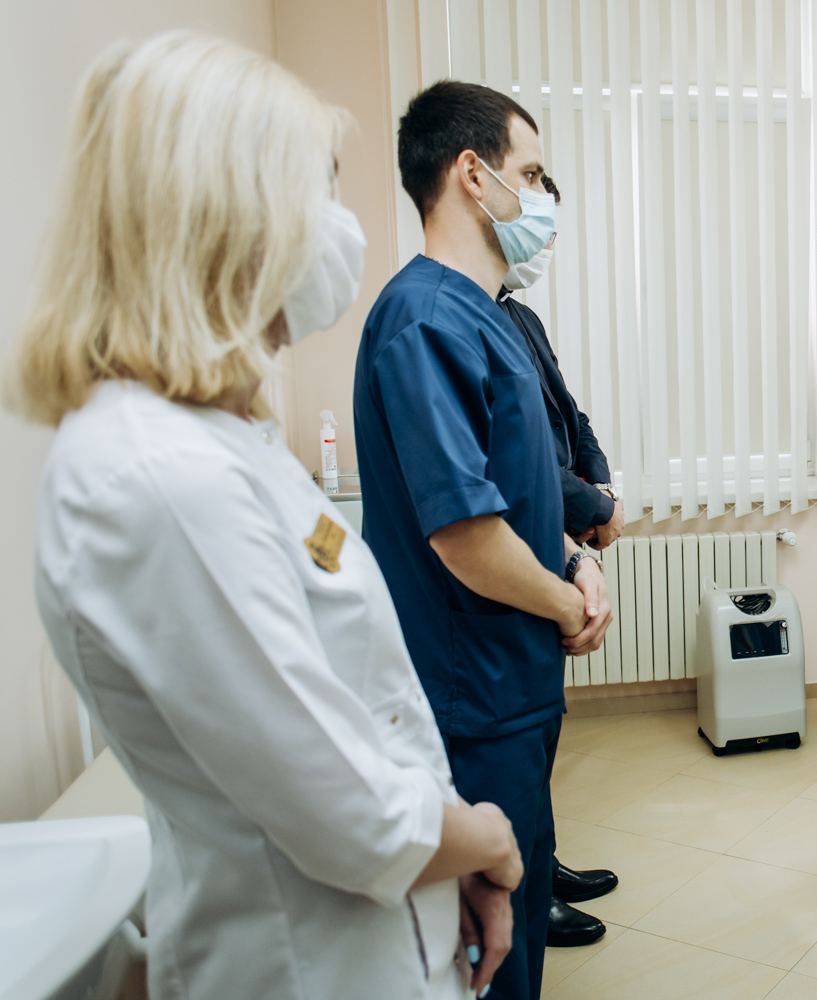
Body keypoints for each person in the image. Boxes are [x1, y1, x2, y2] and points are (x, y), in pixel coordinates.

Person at [8, 33, 525, 1000]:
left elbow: (357, 714)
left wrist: (444, 859)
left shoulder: (222, 439)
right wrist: (486, 838)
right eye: (318, 191)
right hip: (308, 965)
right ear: (224, 212)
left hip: (383, 929)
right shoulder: (154, 474)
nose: (341, 227)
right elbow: (348, 810)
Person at [353, 80, 612, 1000]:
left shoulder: (487, 318)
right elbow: (465, 536)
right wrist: (567, 605)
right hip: (472, 694)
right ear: (473, 174)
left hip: (515, 683)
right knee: (489, 953)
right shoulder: (424, 320)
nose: (543, 197)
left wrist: (576, 559)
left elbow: (519, 493)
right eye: (531, 175)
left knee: (523, 906)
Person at [494, 207, 622, 948]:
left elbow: (570, 419)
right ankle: (529, 892)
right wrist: (593, 512)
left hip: (560, 530)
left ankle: (544, 867)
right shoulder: (462, 322)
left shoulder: (522, 317)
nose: (544, 245)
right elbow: (525, 460)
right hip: (529, 546)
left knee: (546, 730)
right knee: (523, 745)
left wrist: (601, 490)